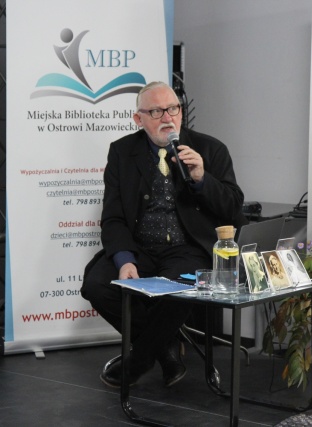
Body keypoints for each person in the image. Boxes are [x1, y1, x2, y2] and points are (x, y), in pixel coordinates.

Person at [81, 81, 247, 388]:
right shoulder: (122, 152)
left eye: (173, 109)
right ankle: (166, 347)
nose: (167, 118)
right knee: (97, 285)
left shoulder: (211, 149)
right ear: (139, 119)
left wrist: (201, 179)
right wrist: (124, 259)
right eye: (156, 112)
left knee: (175, 293)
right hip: (140, 248)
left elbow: (233, 210)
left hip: (188, 249)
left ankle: (139, 361)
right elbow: (113, 217)